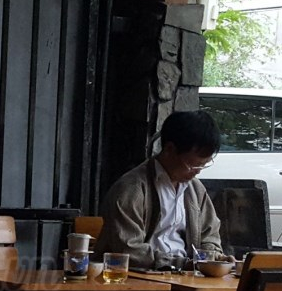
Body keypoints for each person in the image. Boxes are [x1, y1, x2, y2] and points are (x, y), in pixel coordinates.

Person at [96, 109, 224, 269]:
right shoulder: (131, 189)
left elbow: (210, 235)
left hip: (184, 274)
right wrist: (179, 264)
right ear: (169, 149)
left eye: (203, 165)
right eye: (193, 165)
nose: (197, 172)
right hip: (138, 274)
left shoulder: (195, 189)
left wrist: (212, 256)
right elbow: (128, 249)